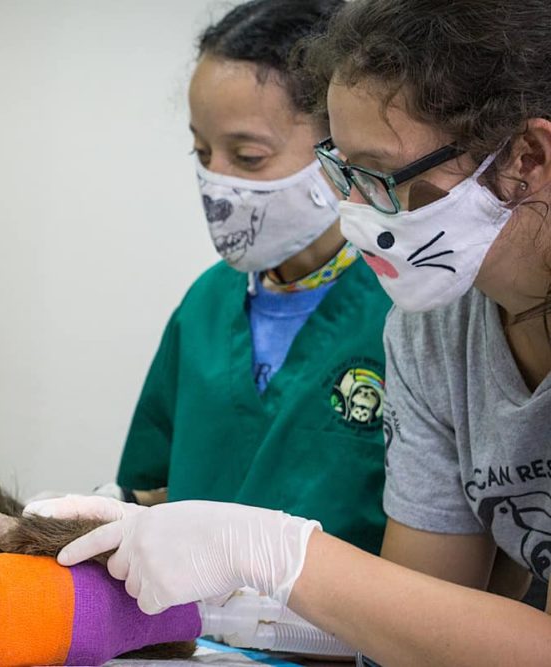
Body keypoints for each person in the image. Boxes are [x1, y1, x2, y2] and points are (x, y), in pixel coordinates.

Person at [28, 1, 551, 664]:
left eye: (380, 176)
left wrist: (273, 555)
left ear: (526, 156)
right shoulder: (433, 325)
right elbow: (416, 625)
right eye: (344, 172)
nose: (354, 211)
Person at [96, 0, 391, 555]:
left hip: (346, 640)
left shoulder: (403, 310)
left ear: (339, 146)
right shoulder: (206, 307)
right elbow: (145, 493)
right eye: (202, 152)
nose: (216, 183)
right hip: (194, 639)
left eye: (248, 157)